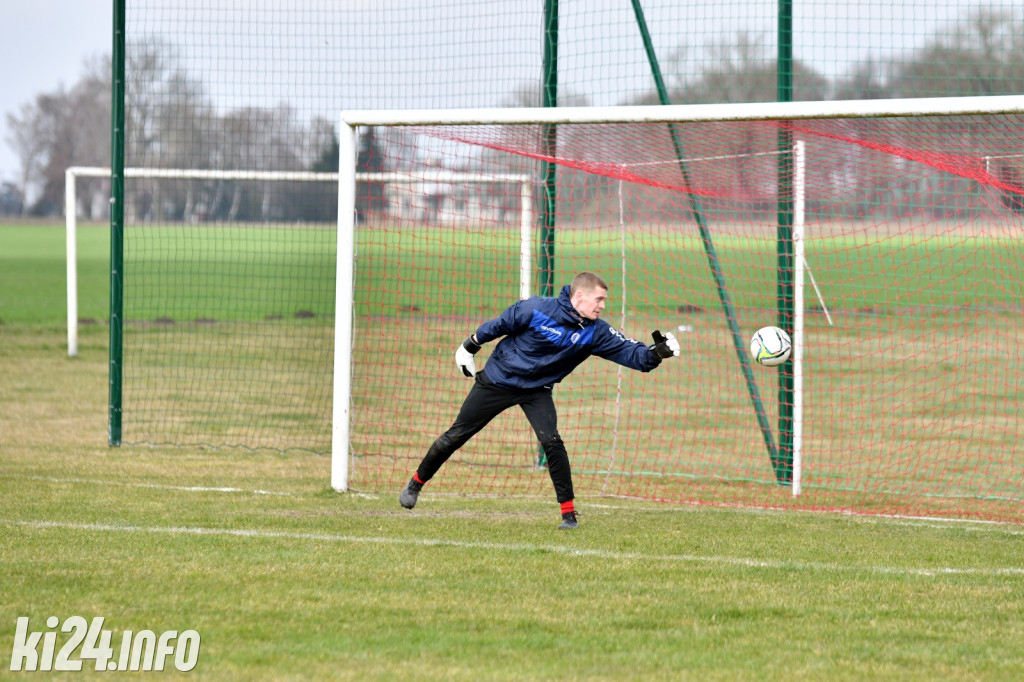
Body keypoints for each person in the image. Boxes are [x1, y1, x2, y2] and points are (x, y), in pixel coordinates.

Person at [399, 271, 680, 529]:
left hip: (537, 389)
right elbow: (501, 323)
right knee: (456, 435)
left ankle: (568, 515)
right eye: (599, 299)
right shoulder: (537, 309)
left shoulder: (596, 331)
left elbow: (633, 354)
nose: (602, 306)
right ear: (579, 296)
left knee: (552, 442)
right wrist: (469, 345)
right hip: (499, 379)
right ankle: (415, 483)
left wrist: (657, 353)